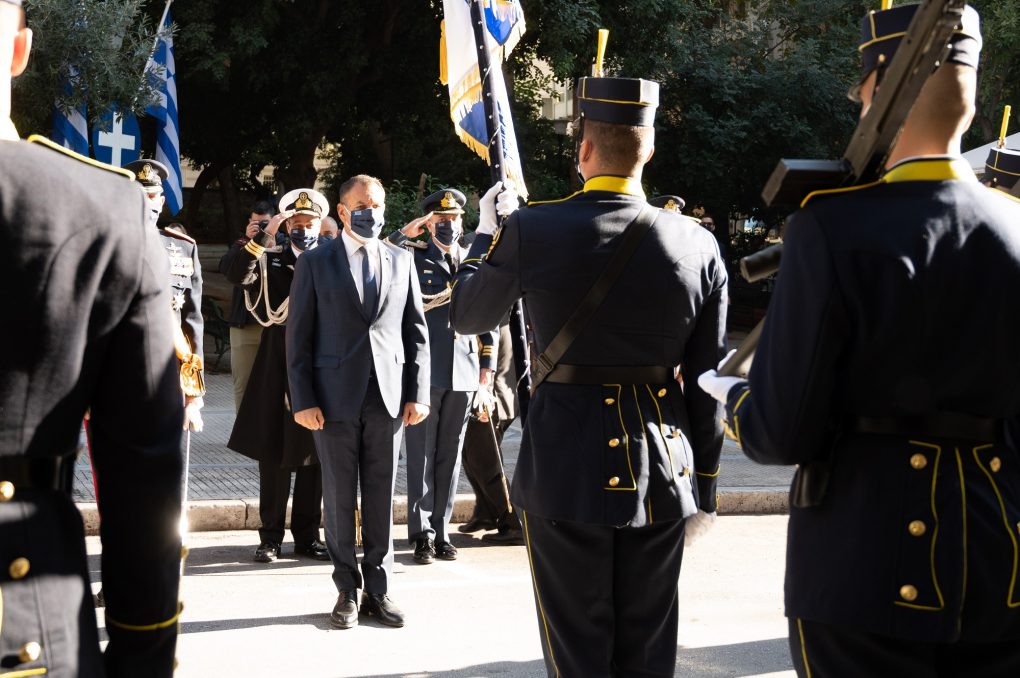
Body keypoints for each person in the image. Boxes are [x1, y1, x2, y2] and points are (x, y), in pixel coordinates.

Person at [698, 5, 1020, 676]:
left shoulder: (833, 229)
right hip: (1002, 565)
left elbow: (783, 433)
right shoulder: (1016, 229)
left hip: (864, 567)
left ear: (881, 89)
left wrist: (735, 399)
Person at [450, 74, 728, 676]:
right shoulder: (698, 244)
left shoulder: (533, 228)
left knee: (577, 649)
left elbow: (467, 314)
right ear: (648, 149)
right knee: (648, 648)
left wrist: (483, 231)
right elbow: (709, 383)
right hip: (662, 466)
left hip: (564, 468)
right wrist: (702, 485)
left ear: (583, 149)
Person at [1, 1, 183, 675]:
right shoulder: (103, 210)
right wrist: (143, 649)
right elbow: (143, 477)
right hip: (23, 621)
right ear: (20, 53)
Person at [287, 174, 431, 629]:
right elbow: (298, 339)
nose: (373, 212)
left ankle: (380, 590)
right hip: (332, 400)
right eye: (363, 206)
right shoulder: (316, 262)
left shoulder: (401, 260)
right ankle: (347, 589)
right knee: (339, 495)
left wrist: (418, 393)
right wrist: (303, 399)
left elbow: (417, 334)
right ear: (344, 212)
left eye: (379, 205)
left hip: (387, 398)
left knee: (381, 497)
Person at [388, 188, 497, 563]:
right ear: (428, 222)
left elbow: (489, 320)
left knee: (449, 457)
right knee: (420, 453)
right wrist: (406, 234)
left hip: (465, 371)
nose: (447, 225)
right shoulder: (412, 258)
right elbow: (383, 258)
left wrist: (487, 374)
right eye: (439, 219)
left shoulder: (474, 259)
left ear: (461, 222)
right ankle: (420, 533)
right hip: (425, 370)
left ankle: (442, 528)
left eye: (452, 219)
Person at [222, 189, 329, 563]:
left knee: (315, 452)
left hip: (319, 361)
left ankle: (307, 536)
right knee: (274, 450)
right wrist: (266, 236)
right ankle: (269, 537)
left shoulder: (329, 258)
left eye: (309, 223)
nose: (303, 229)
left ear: (319, 224)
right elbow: (236, 273)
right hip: (277, 358)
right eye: (296, 224)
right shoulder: (271, 256)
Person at [125, 158, 205, 432]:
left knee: (166, 466)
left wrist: (193, 396)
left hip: (168, 372)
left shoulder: (182, 247)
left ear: (161, 200)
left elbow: (192, 321)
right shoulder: (106, 241)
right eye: (139, 196)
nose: (148, 203)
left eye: (152, 196)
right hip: (116, 372)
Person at [458, 316, 523, 544]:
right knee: (470, 456)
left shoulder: (493, 314)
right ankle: (485, 513)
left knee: (485, 462)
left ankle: (514, 524)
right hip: (490, 396)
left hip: (490, 398)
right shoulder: (496, 309)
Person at [220, 200, 275, 412]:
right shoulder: (242, 243)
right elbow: (227, 269)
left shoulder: (283, 243)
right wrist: (248, 240)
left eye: (266, 224)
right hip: (244, 323)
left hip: (273, 324)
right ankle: (243, 439)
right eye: (257, 223)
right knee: (242, 383)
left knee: (273, 383)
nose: (261, 228)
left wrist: (269, 237)